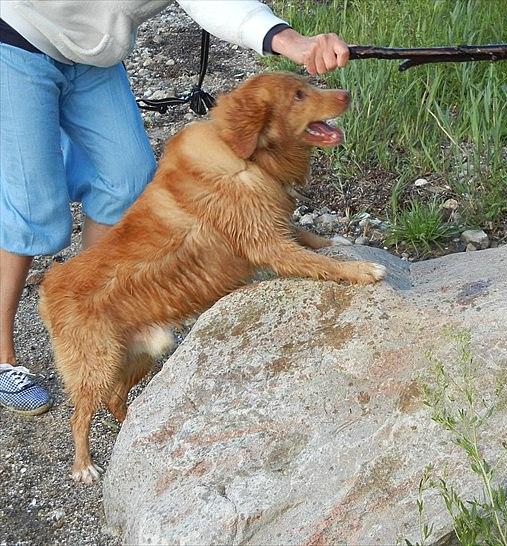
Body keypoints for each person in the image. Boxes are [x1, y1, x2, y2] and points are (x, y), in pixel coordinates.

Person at [0, 1, 350, 415]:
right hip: (16, 35)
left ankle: (97, 311)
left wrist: (287, 39)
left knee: (127, 178)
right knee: (33, 207)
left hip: (91, 52)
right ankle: (3, 358)